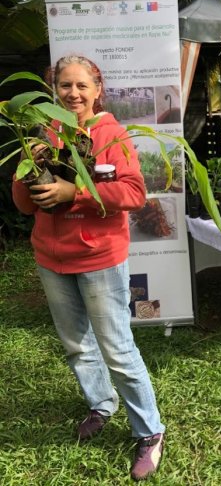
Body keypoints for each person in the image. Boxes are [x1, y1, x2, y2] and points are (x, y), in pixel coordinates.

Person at [12, 55, 165, 481]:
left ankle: (150, 431)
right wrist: (29, 174)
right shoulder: (43, 133)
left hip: (98, 257)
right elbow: (24, 205)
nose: (73, 94)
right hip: (51, 257)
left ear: (98, 89)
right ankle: (101, 404)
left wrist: (71, 191)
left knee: (116, 348)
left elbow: (134, 193)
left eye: (82, 86)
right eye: (64, 86)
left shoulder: (111, 135)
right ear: (52, 91)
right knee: (77, 344)